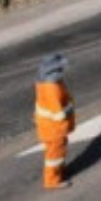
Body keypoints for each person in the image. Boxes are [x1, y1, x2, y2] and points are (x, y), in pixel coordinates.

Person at [33, 53, 76, 190]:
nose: (62, 71)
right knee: (54, 154)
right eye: (60, 69)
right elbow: (58, 114)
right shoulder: (51, 88)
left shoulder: (48, 83)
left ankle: (60, 171)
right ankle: (52, 180)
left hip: (49, 126)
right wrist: (69, 107)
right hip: (53, 128)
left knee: (59, 149)